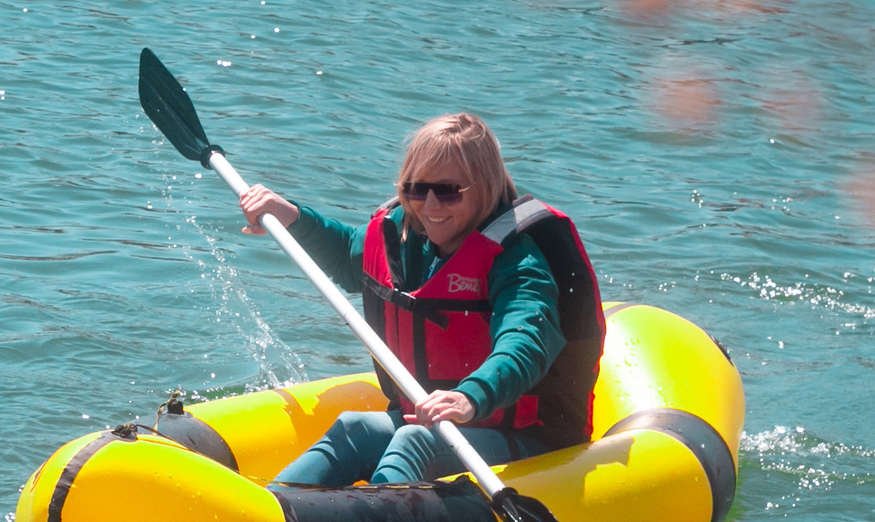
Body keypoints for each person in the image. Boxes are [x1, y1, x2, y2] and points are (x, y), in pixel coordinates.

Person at [235, 111, 606, 487]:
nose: (429, 207)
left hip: (531, 440)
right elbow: (350, 252)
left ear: (485, 187)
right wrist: (293, 217)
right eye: (416, 189)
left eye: (448, 191)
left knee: (415, 441)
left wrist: (470, 397)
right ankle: (271, 513)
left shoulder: (518, 261)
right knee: (354, 427)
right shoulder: (408, 240)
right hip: (438, 421)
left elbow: (524, 343)